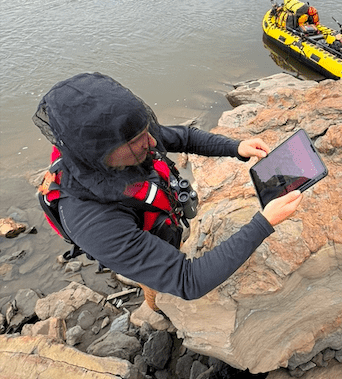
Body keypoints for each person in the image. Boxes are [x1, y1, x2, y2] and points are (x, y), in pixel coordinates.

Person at [33, 72, 302, 306]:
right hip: (136, 237)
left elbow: (186, 137)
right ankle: (155, 304)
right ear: (100, 153)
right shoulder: (94, 223)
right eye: (138, 141)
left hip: (157, 224)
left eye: (146, 131)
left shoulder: (120, 138)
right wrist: (264, 222)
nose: (152, 141)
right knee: (156, 287)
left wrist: (236, 147)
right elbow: (189, 281)